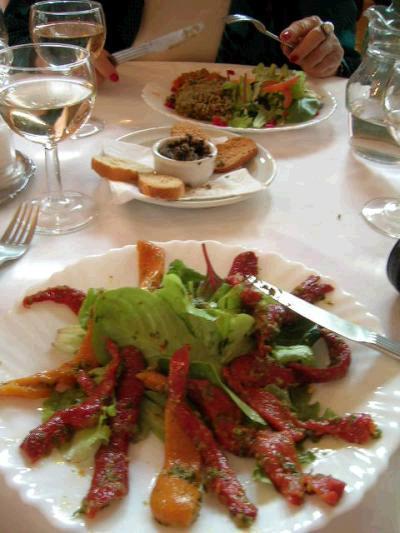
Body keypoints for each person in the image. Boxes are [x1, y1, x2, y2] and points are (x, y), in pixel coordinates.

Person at [1, 0, 362, 81]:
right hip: (108, 120)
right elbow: (17, 33)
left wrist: (324, 54)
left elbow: (344, 58)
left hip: (262, 140)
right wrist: (51, 59)